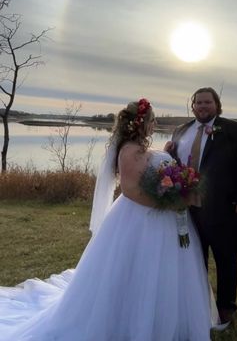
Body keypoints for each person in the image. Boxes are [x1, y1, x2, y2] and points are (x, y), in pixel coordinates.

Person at [0, 99, 221, 340]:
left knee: (166, 273)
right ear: (142, 123)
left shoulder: (142, 149)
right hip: (141, 219)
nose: (155, 124)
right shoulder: (129, 151)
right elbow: (130, 190)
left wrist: (166, 158)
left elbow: (149, 168)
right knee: (138, 270)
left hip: (163, 220)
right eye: (152, 120)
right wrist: (169, 203)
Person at [167, 87, 237, 324]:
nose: (203, 106)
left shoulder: (235, 130)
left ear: (217, 105)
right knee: (195, 258)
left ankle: (226, 307)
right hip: (188, 209)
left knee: (226, 258)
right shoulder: (180, 131)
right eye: (199, 103)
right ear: (192, 106)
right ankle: (199, 303)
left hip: (224, 209)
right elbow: (174, 165)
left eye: (208, 102)